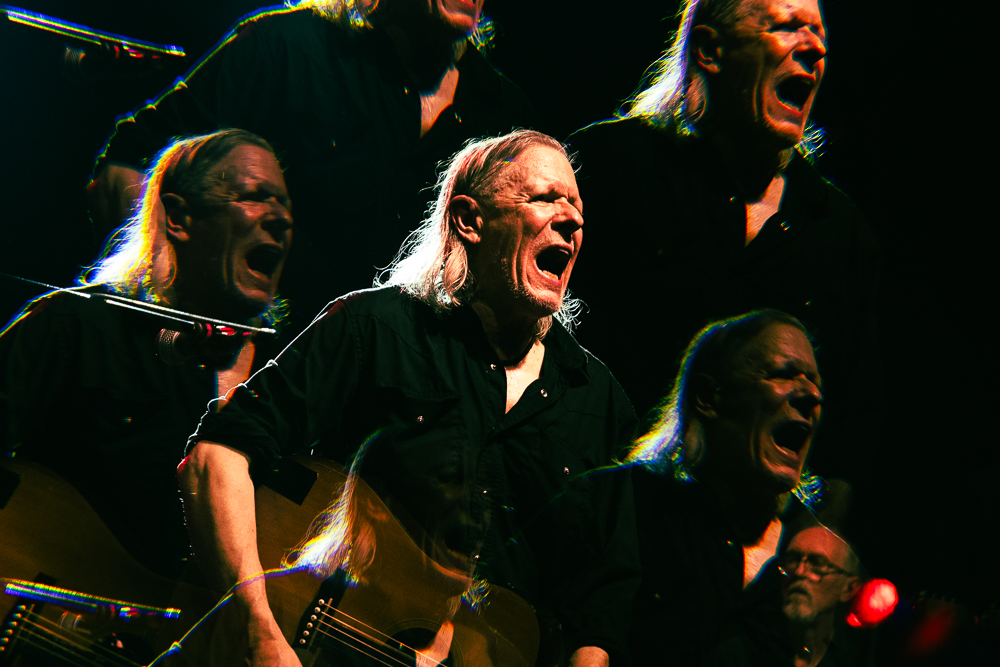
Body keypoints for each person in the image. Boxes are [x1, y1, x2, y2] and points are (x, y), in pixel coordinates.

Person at [178, 129, 640, 667]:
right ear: (469, 221)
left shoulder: (600, 403)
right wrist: (256, 631)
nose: (572, 220)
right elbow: (216, 455)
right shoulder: (375, 329)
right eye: (544, 198)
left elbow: (601, 600)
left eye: (577, 207)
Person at [568, 0, 880, 478]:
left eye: (819, 33)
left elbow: (854, 419)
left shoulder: (840, 232)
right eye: (788, 26)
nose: (815, 47)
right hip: (597, 498)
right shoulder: (607, 168)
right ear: (710, 50)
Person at [88, 0, 538, 326]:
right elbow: (123, 170)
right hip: (253, 371)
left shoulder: (503, 113)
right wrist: (187, 308)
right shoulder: (285, 48)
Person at [0, 129, 293, 577]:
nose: (281, 219)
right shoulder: (79, 325)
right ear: (178, 218)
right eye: (254, 197)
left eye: (285, 205)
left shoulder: (290, 372)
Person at [626, 309, 832, 666]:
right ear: (708, 397)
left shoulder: (822, 564)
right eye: (783, 374)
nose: (812, 396)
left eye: (816, 383)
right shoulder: (621, 506)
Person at [780, 526, 872, 667]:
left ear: (848, 588)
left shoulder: (851, 661)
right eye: (792, 560)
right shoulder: (752, 646)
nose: (799, 571)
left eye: (817, 563)